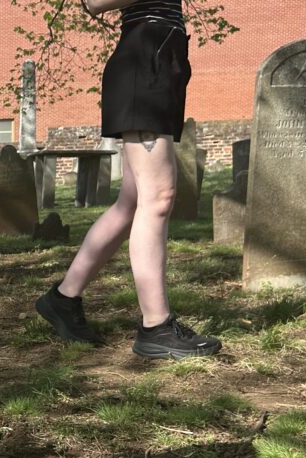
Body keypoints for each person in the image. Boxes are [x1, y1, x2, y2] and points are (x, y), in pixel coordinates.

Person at [35, 0, 221, 359]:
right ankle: (156, 327)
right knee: (160, 196)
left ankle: (63, 298)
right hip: (143, 60)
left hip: (163, 59)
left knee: (132, 202)